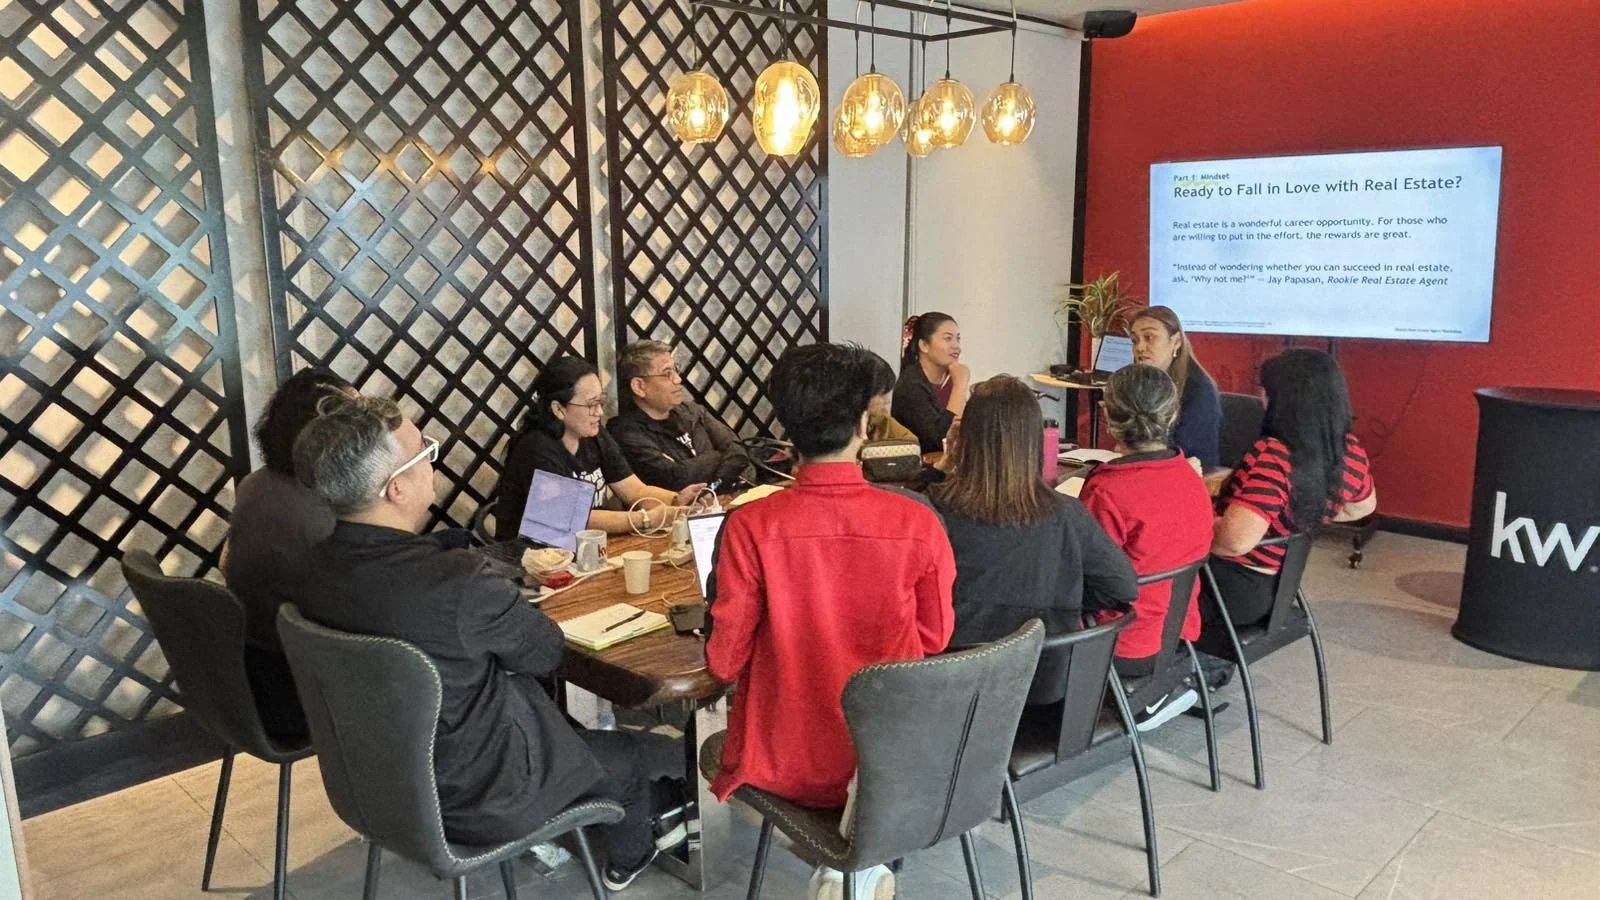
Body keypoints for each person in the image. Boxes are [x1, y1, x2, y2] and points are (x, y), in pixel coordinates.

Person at [292, 395, 684, 890]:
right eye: (425, 455)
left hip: (372, 782)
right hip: (479, 796)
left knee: (564, 727)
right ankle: (630, 856)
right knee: (626, 760)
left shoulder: (307, 570)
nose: (433, 465)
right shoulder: (453, 583)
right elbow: (544, 653)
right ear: (396, 488)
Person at [707, 343, 956, 900]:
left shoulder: (750, 526)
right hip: (886, 762)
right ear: (867, 425)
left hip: (786, 762)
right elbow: (934, 639)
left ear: (788, 431)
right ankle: (857, 856)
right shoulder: (919, 522)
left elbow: (723, 661)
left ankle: (845, 860)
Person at [931, 375, 1137, 651]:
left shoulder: (936, 511)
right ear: (1035, 442)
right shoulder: (1067, 514)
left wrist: (943, 466)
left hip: (956, 679)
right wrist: (1063, 596)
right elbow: (1122, 587)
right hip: (1047, 679)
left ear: (964, 440)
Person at [220, 368, 353, 739]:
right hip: (301, 697)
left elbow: (225, 564)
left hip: (251, 680)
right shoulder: (322, 515)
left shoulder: (254, 485)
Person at [1078, 366, 1216, 721]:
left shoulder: (1107, 488)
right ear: (1171, 415)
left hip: (1124, 644)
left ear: (1106, 415)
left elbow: (1086, 576)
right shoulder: (1189, 476)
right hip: (1180, 633)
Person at [1209, 349, 1377, 632]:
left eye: (1265, 392)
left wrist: (1182, 526)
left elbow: (1234, 541)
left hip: (1230, 590)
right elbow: (1361, 507)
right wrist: (1291, 513)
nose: (1261, 400)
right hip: (1280, 587)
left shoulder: (1276, 455)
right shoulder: (1348, 450)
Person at [494, 356, 707, 539]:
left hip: (585, 550)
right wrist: (645, 519)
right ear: (559, 409)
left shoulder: (593, 435)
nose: (599, 412)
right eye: (591, 405)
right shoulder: (535, 450)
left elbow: (634, 490)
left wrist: (676, 500)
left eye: (601, 402)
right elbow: (576, 518)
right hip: (532, 559)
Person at [608, 340, 750, 491]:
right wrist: (717, 456)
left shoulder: (692, 410)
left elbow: (738, 453)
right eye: (667, 373)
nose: (678, 379)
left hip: (721, 498)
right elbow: (675, 477)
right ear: (639, 386)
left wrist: (712, 488)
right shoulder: (625, 431)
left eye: (676, 370)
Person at [1129, 306, 1221, 468]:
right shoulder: (1145, 381)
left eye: (1149, 337)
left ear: (1176, 342)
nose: (1140, 347)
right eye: (1135, 340)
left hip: (1191, 474)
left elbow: (1177, 449)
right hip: (1149, 466)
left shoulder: (1199, 389)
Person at [892, 312, 969, 453]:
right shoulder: (910, 385)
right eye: (948, 339)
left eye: (957, 339)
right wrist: (960, 386)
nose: (956, 346)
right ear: (924, 345)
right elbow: (940, 441)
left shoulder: (951, 378)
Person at [865, 352, 918, 443]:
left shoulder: (883, 419)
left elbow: (911, 442)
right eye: (881, 394)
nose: (887, 401)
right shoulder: (844, 426)